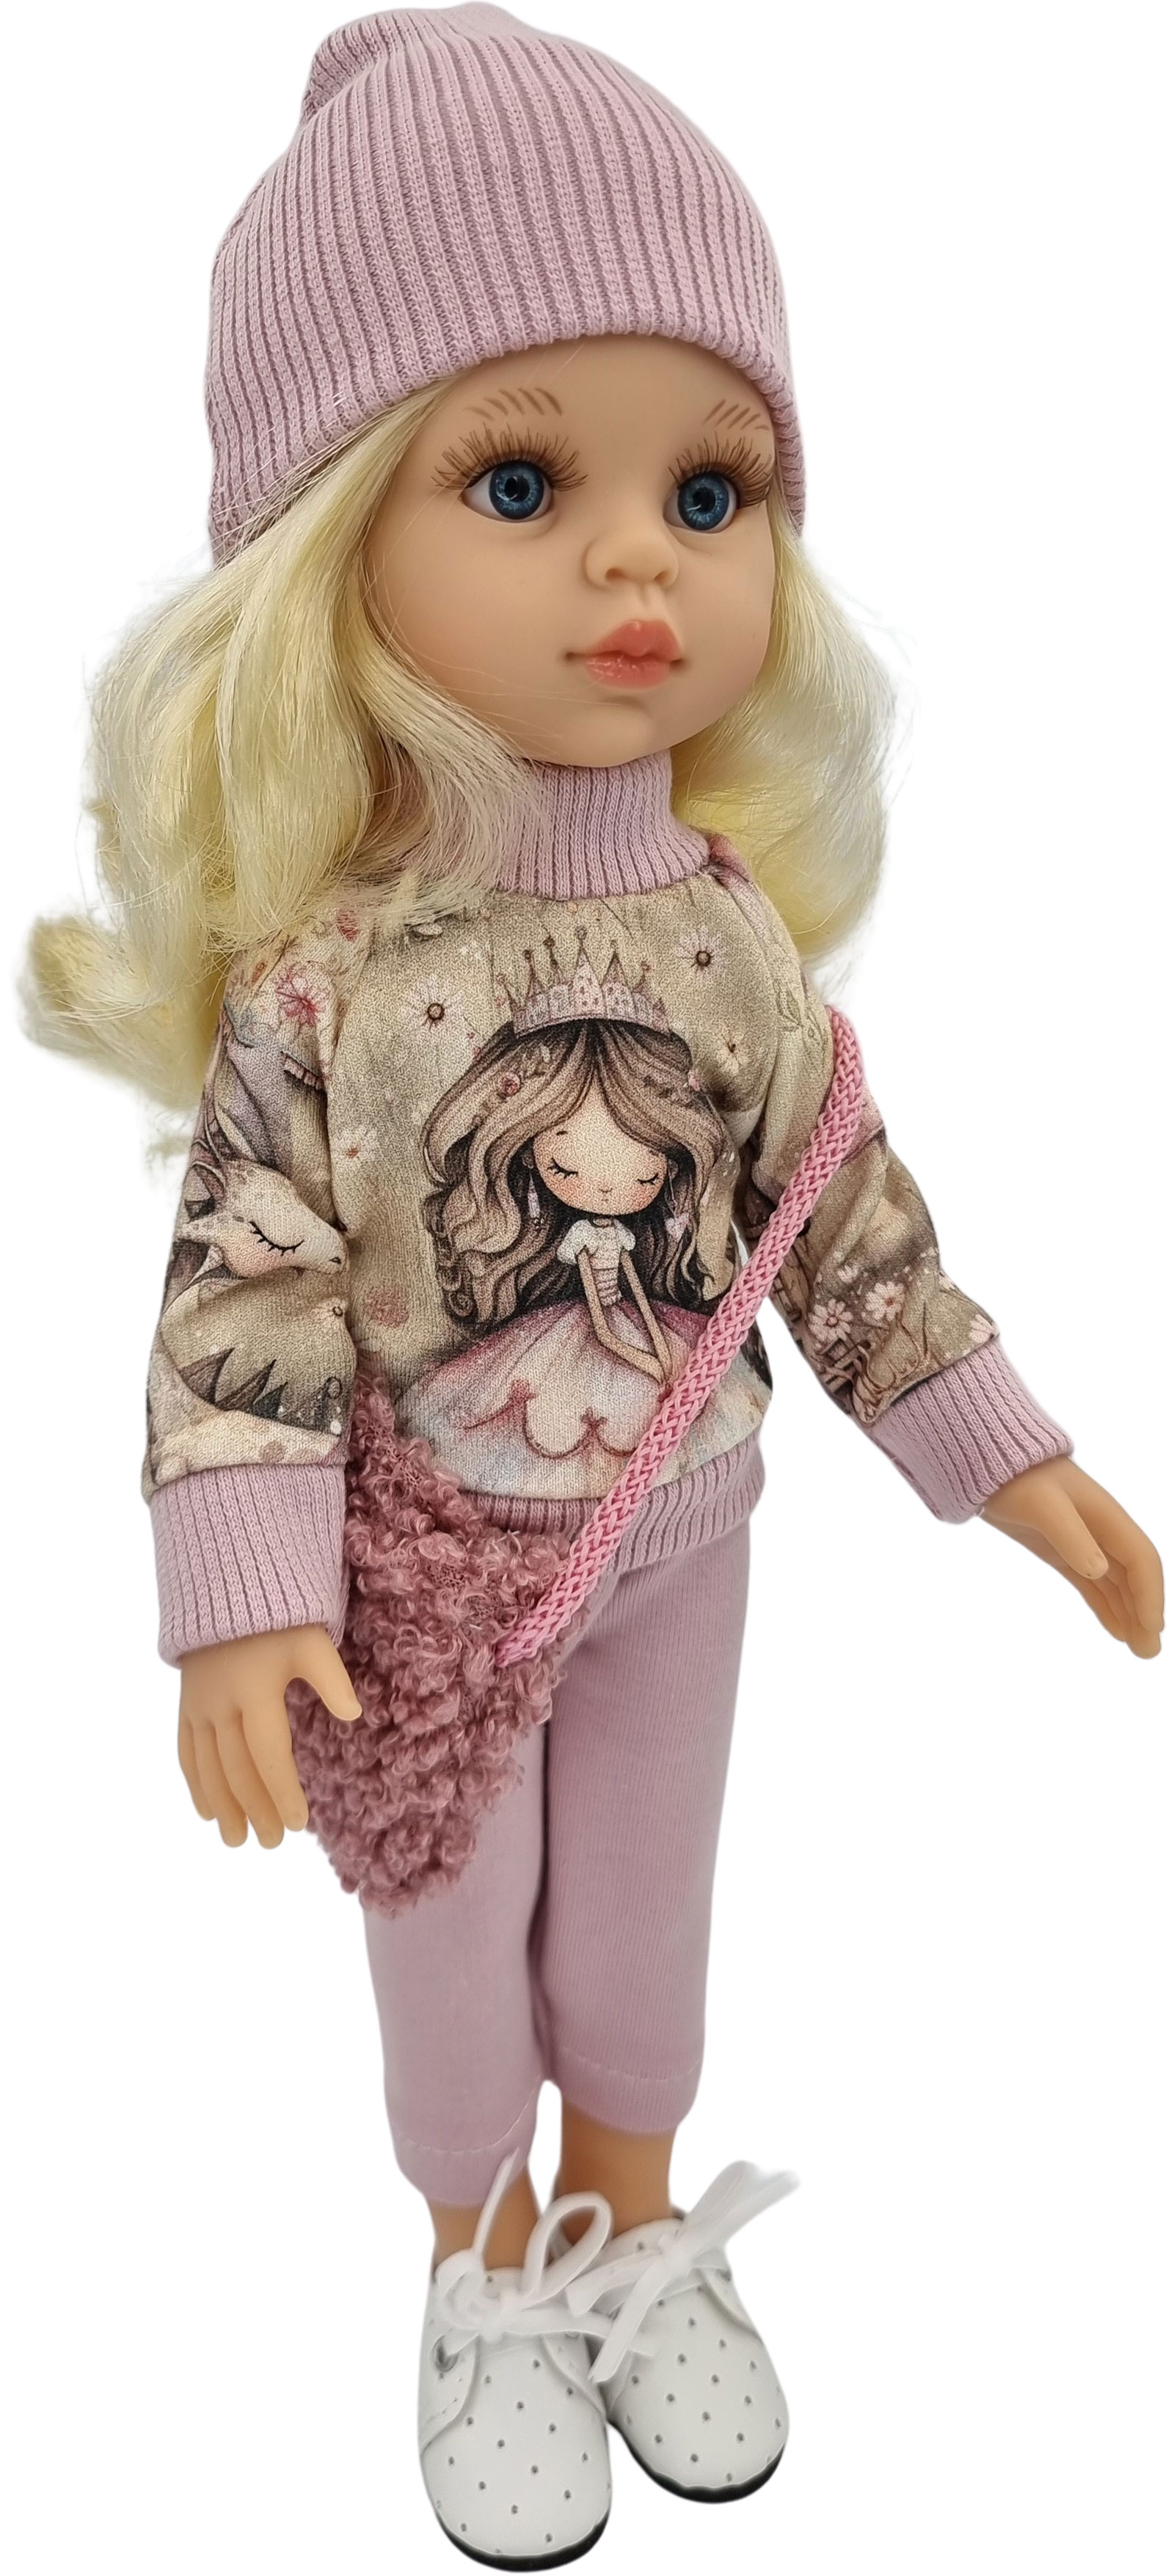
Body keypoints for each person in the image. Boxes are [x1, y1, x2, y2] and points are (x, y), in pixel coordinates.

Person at [23, 10, 1163, 2565]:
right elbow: (244, 1296)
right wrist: (240, 1598)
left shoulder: (735, 940)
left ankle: (634, 2221)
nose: (639, 564)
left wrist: (1012, 1460)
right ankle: (481, 2261)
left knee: (648, 1906)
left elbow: (845, 1223)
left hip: (685, 1542)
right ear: (328, 551)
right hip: (425, 1587)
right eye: (524, 484)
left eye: (709, 489)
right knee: (448, 1950)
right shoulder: (337, 976)